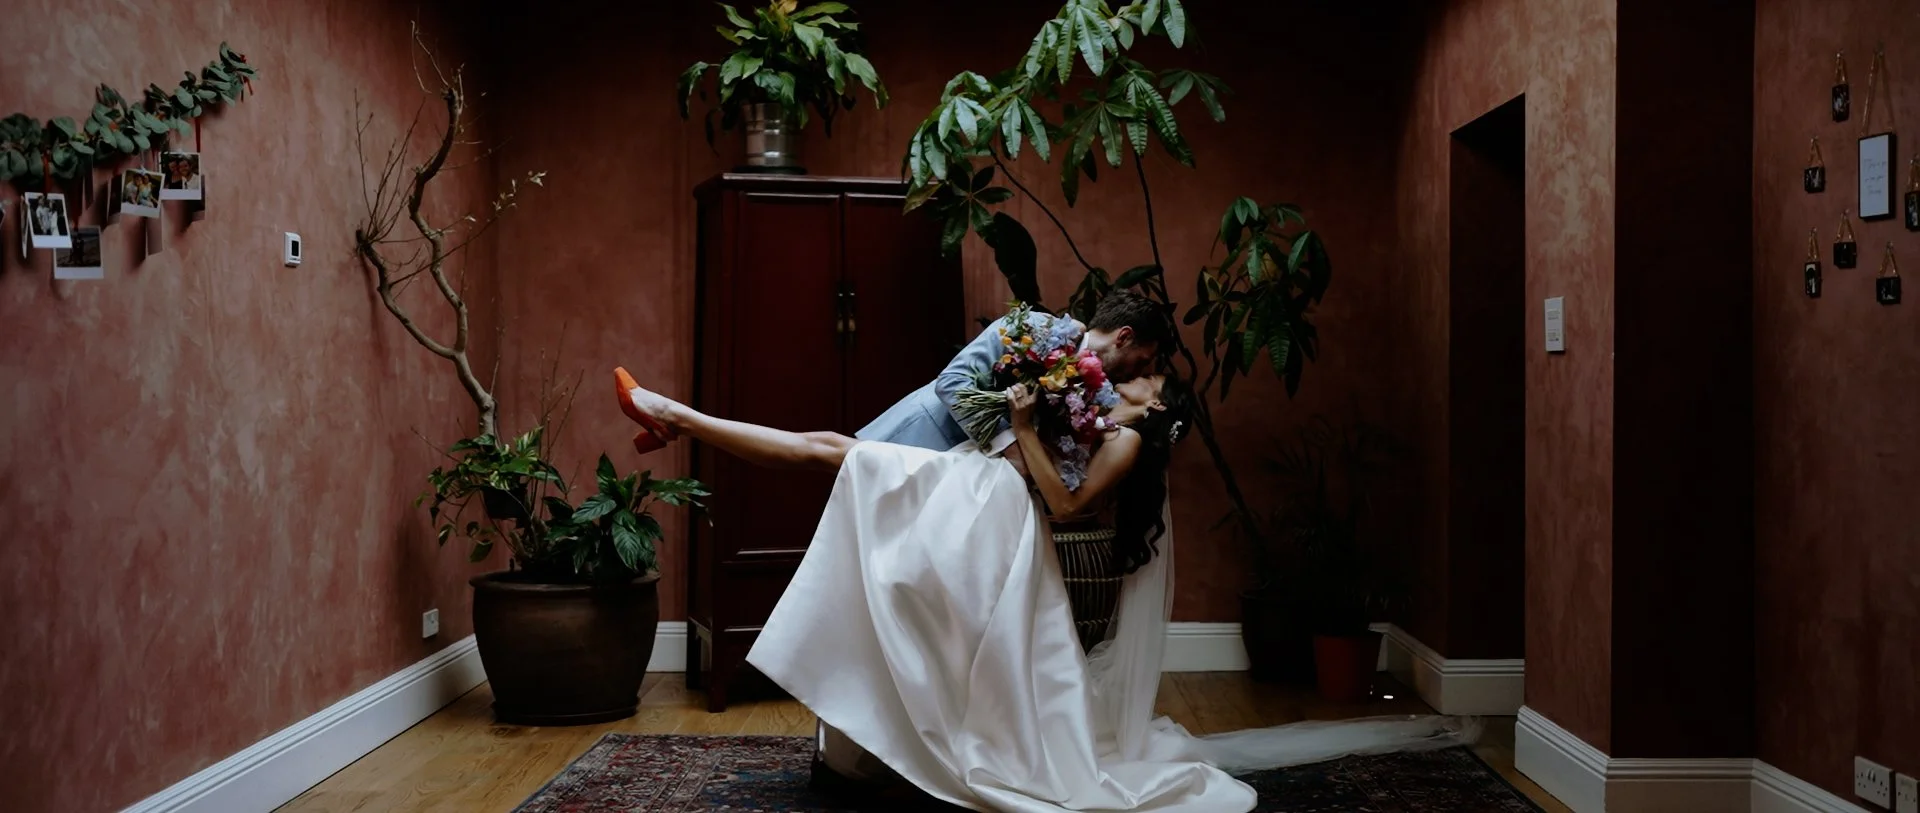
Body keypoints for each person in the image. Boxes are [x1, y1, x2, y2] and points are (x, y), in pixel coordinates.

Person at [612, 358, 1479, 812]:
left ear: (1155, 402)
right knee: (829, 448)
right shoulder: (1104, 416)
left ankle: (674, 416)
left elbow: (1064, 506)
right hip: (977, 492)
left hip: (995, 510)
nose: (1128, 373)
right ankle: (672, 414)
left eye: (1141, 376)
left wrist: (1026, 426)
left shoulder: (1131, 442)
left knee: (832, 452)